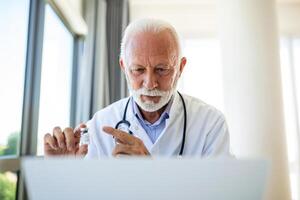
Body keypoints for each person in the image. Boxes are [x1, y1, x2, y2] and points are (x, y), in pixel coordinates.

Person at [44, 18, 231, 158]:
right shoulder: (102, 124)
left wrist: (151, 173)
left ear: (180, 68)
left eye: (161, 69)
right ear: (124, 67)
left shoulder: (210, 125)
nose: (150, 83)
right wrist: (63, 173)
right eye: (138, 70)